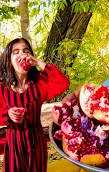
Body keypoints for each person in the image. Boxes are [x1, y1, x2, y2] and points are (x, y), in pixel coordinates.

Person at [0, 38, 70, 172]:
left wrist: (38, 62)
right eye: (16, 52)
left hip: (36, 142)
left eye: (26, 51)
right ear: (9, 60)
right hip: (14, 143)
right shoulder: (2, 88)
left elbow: (63, 82)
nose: (22, 54)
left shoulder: (39, 84)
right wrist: (8, 114)